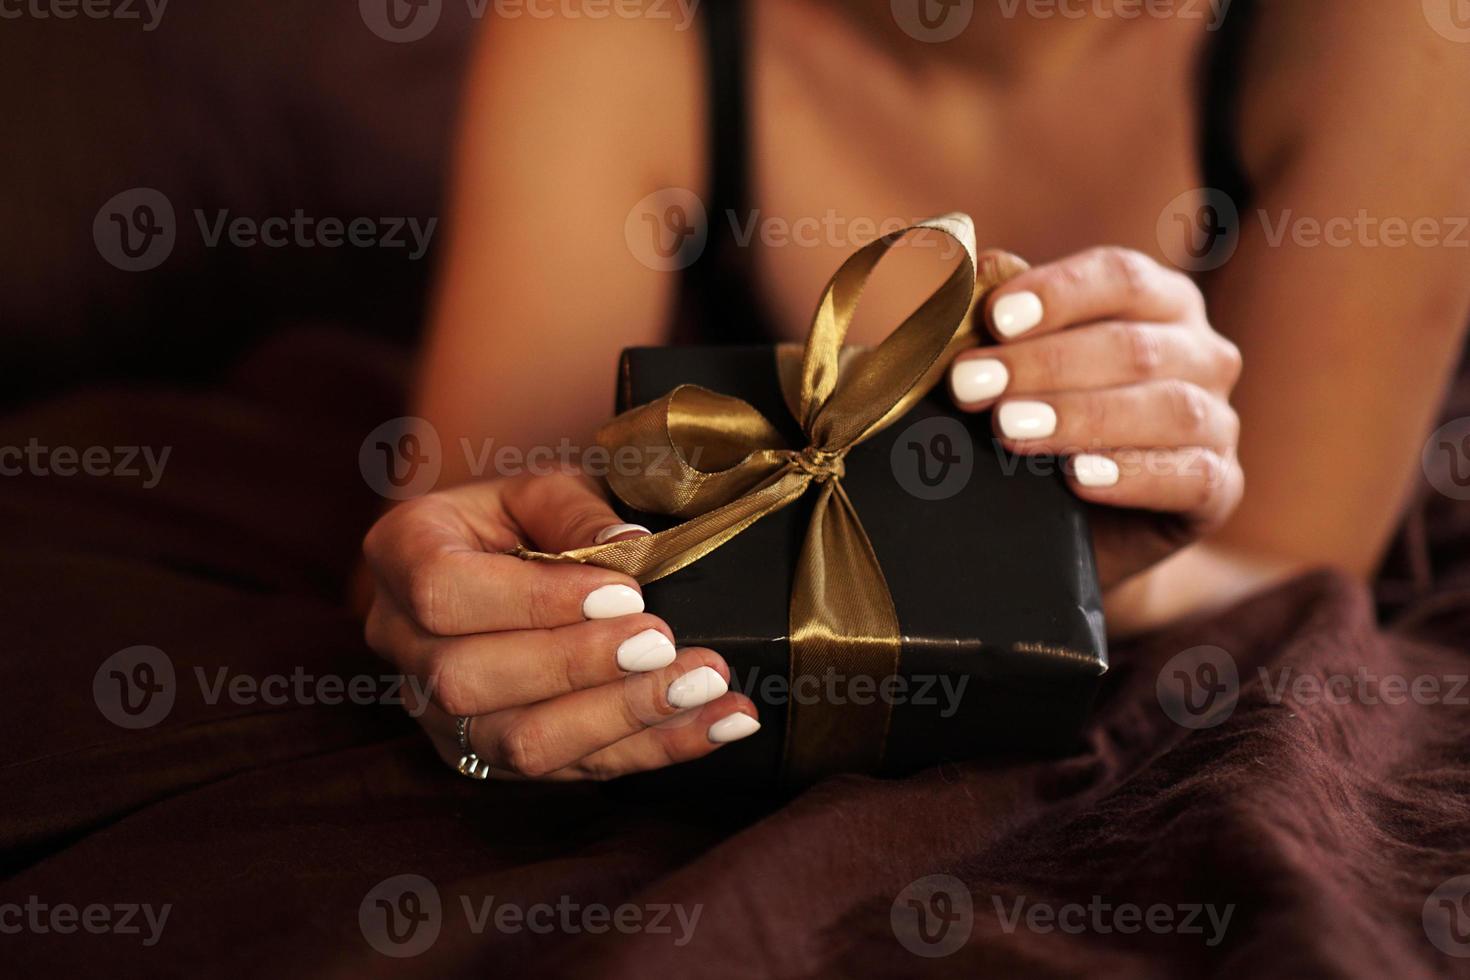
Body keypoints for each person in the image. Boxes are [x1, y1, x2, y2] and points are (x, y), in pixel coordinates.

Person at [361, 0, 1470, 781]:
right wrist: (474, 616)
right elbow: (483, 515)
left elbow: (1294, 561)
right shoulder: (619, 25)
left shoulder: (1405, 35)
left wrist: (1098, 573)